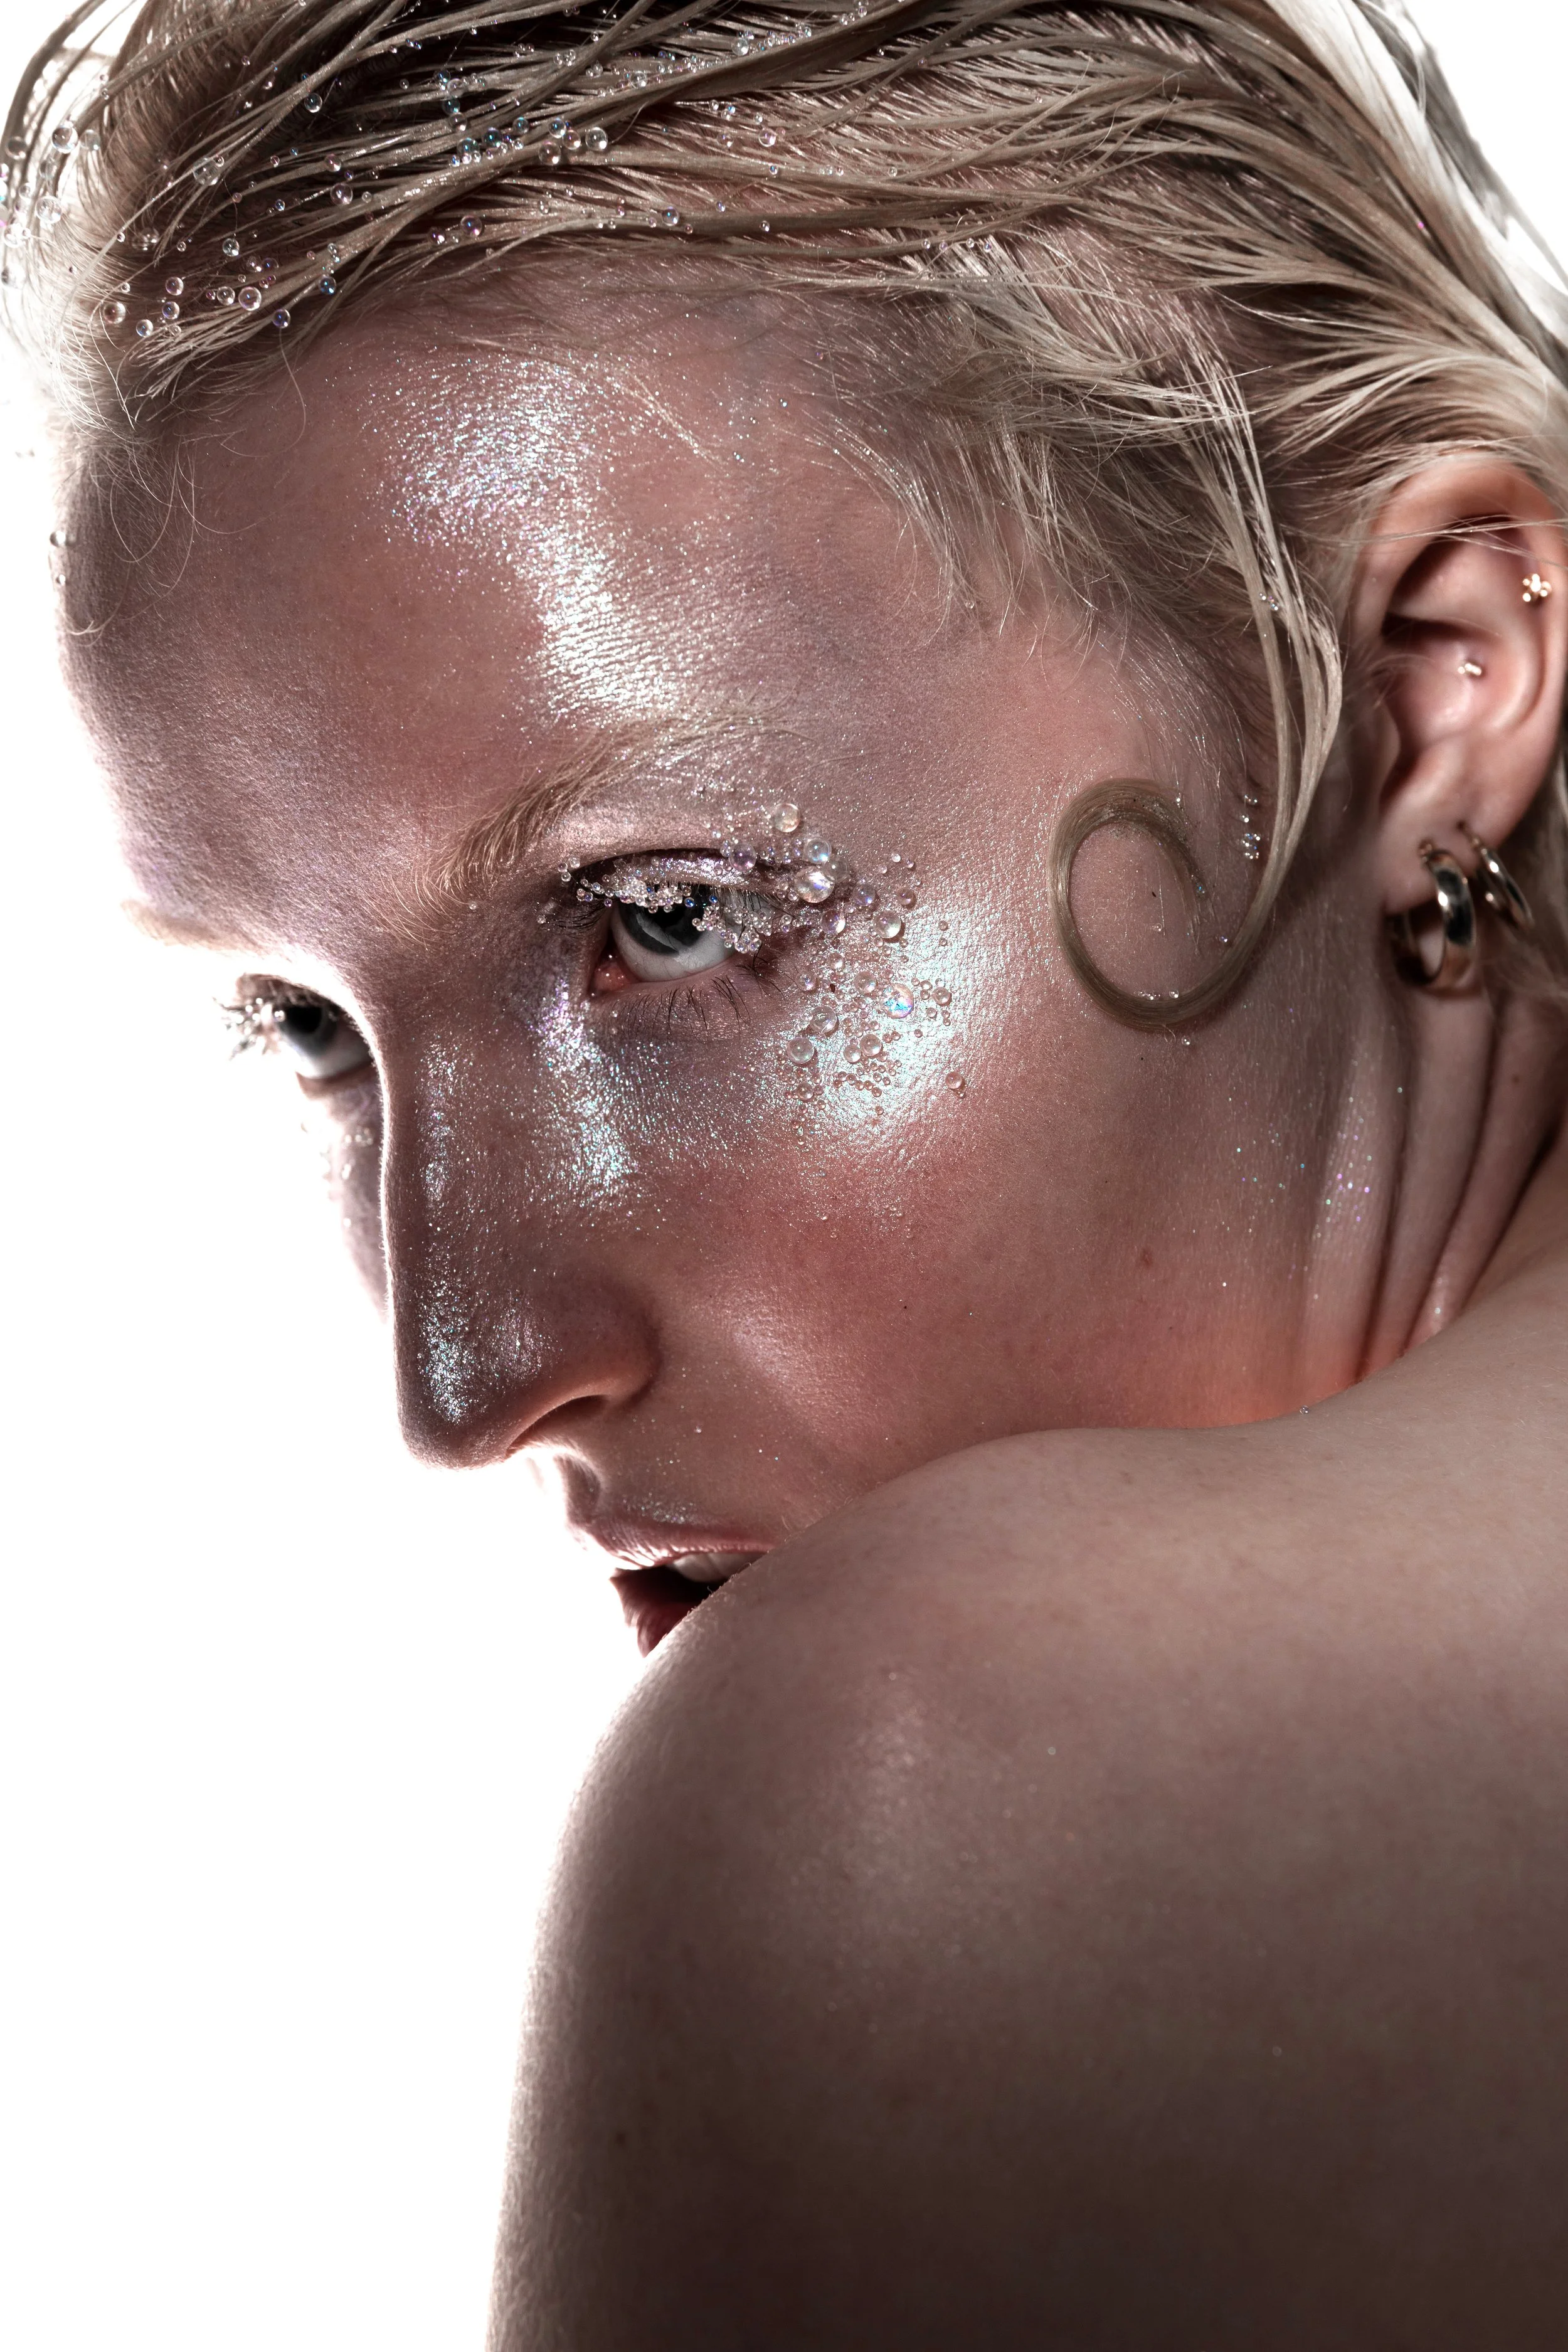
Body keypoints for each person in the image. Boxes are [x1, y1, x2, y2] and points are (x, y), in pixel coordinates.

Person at [6, 0, 1566, 2340]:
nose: (465, 1365)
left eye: (663, 920)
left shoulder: (928, 1791)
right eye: (310, 1027)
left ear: (1433, 673)